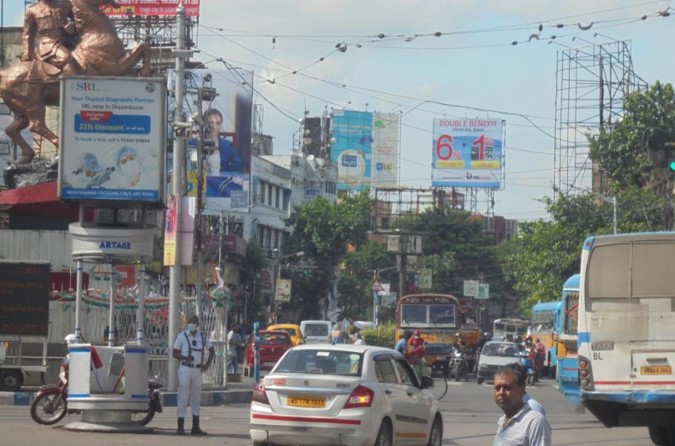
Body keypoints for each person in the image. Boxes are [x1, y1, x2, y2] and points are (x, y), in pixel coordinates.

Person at [172, 315, 215, 436]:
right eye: (189, 322)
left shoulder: (202, 337)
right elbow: (174, 353)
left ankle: (195, 427)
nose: (190, 324)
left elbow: (212, 350)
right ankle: (180, 427)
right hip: (185, 369)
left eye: (193, 322)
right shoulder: (182, 336)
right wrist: (185, 358)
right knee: (183, 397)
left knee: (196, 398)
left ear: (197, 325)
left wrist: (206, 365)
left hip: (198, 371)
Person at [492, 365, 551, 446]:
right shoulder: (503, 421)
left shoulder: (535, 421)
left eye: (507, 388)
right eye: (497, 388)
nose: (501, 392)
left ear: (521, 390)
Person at [22, 0, 77, 75]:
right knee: (66, 58)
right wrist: (27, 55)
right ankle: (71, 86)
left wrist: (73, 26)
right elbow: (27, 35)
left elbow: (80, 20)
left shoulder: (65, 5)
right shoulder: (32, 10)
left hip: (69, 41)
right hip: (48, 45)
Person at [202, 108, 243, 174]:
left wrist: (222, 168)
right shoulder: (195, 143)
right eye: (210, 123)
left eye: (218, 123)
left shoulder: (227, 145)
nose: (214, 126)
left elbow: (238, 164)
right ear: (204, 124)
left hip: (219, 182)